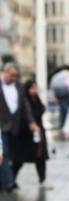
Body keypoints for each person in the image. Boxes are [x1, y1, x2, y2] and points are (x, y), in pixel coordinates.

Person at [0, 63, 37, 191]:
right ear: (4, 73)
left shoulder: (18, 87)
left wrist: (31, 122)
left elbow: (25, 106)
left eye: (16, 76)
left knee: (14, 156)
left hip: (15, 127)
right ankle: (8, 182)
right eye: (12, 75)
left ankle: (7, 180)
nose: (14, 78)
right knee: (3, 154)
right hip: (1, 127)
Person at [13, 80, 49, 187]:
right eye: (32, 87)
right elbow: (24, 114)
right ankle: (10, 179)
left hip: (38, 132)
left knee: (40, 157)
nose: (34, 89)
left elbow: (40, 110)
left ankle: (42, 178)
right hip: (26, 134)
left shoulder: (36, 99)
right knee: (20, 159)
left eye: (35, 87)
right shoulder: (24, 100)